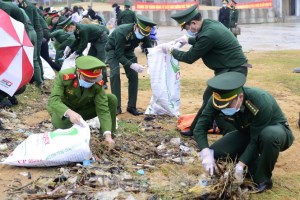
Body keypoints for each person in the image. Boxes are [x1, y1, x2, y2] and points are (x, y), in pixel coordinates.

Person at [195, 72, 294, 192]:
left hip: (275, 131)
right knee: (216, 153)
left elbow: (255, 139)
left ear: (240, 97)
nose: (223, 109)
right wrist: (205, 152)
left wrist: (240, 166)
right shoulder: (218, 99)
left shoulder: (260, 100)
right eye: (221, 107)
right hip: (248, 132)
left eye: (227, 106)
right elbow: (201, 126)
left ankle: (263, 179)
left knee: (268, 135)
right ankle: (253, 165)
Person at [162, 4, 250, 136]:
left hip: (233, 70)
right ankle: (201, 127)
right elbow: (202, 38)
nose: (187, 31)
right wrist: (188, 40)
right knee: (211, 98)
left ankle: (199, 129)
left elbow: (189, 57)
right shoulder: (209, 24)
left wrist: (171, 50)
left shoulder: (208, 34)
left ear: (193, 23)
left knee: (222, 99)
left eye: (186, 28)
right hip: (228, 68)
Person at [47, 56, 117, 148]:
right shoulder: (65, 76)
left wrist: (107, 135)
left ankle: (107, 135)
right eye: (87, 80)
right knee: (61, 126)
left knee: (111, 99)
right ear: (79, 72)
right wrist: (69, 113)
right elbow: (54, 100)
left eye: (93, 80)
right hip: (64, 110)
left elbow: (103, 109)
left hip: (83, 110)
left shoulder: (96, 82)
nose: (91, 82)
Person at [105, 14, 156, 115]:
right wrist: (132, 65)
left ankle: (131, 106)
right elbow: (119, 55)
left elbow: (148, 49)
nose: (143, 35)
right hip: (113, 50)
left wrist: (150, 61)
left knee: (133, 75)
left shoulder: (145, 33)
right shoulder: (122, 31)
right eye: (142, 32)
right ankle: (117, 106)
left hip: (128, 51)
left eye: (146, 33)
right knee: (115, 74)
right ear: (136, 26)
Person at [60, 17, 109, 89]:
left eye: (69, 29)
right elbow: (77, 40)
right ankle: (91, 78)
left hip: (101, 40)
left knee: (100, 61)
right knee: (90, 58)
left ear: (72, 26)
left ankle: (103, 82)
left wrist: (76, 53)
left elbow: (84, 44)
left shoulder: (82, 29)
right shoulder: (76, 29)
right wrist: (70, 47)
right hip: (94, 41)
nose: (69, 31)